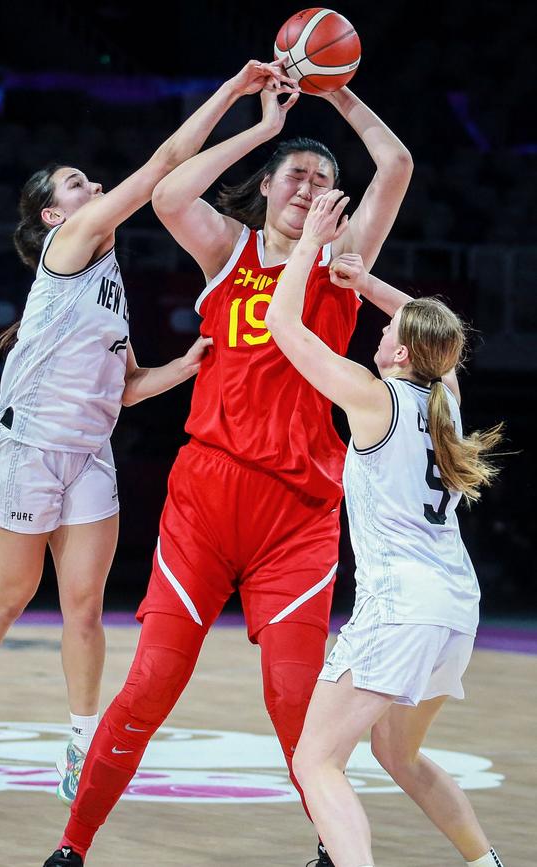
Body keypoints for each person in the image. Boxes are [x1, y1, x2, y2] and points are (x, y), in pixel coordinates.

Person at [43, 80, 413, 867]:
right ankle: (72, 847)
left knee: (292, 701)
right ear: (269, 188)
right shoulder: (227, 250)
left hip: (299, 512)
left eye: (322, 179)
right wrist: (265, 122)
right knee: (150, 687)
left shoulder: (343, 263)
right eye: (295, 175)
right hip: (205, 503)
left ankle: (331, 848)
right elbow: (173, 190)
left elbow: (397, 161)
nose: (309, 187)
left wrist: (336, 92)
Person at [0, 58, 294, 805]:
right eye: (75, 184)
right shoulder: (71, 249)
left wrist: (187, 367)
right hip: (26, 447)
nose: (91, 186)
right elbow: (165, 166)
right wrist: (238, 97)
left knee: (85, 607)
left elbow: (127, 389)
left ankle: (79, 738)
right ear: (52, 218)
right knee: (10, 595)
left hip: (87, 454)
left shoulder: (110, 278)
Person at [265, 190, 505, 867]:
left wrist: (311, 243)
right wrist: (363, 280)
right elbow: (437, 334)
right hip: (456, 605)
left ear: (402, 353)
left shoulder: (376, 398)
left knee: (317, 761)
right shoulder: (447, 397)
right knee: (398, 752)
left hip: (400, 605)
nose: (379, 330)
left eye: (389, 329)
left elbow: (283, 324)